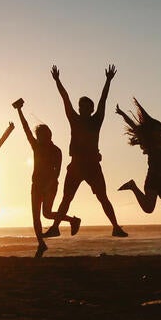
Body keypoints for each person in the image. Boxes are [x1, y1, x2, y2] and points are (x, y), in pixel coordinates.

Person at [45, 65, 127, 237]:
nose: (82, 108)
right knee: (66, 198)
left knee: (103, 197)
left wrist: (108, 80)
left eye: (85, 106)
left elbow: (103, 100)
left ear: (90, 109)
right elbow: (65, 99)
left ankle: (116, 227)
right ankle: (55, 228)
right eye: (80, 106)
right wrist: (58, 81)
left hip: (92, 166)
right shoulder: (74, 119)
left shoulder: (96, 120)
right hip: (75, 165)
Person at [13, 98, 80, 256]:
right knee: (37, 216)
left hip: (50, 185)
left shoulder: (56, 150)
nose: (43, 137)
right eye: (40, 135)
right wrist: (19, 111)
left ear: (50, 134)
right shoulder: (36, 146)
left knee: (47, 214)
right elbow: (26, 129)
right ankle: (41, 244)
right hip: (36, 185)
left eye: (46, 134)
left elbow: (57, 172)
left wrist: (49, 185)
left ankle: (73, 220)